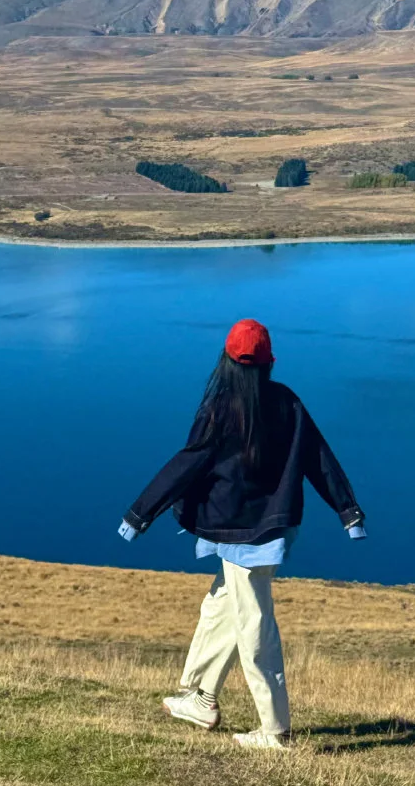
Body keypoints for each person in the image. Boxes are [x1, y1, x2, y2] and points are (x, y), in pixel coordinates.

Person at [118, 317, 366, 749]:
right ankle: (201, 697)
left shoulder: (221, 409)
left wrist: (140, 514)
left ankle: (275, 731)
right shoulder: (287, 403)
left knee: (254, 626)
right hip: (271, 530)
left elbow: (188, 462)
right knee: (220, 608)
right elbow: (318, 458)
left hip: (243, 537)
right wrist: (348, 512)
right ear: (270, 362)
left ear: (227, 361)